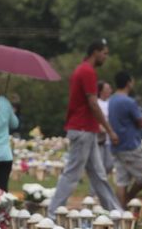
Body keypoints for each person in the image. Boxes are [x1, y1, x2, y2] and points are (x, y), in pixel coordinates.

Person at [48, 41, 121, 214]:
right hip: (82, 130)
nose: (106, 57)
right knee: (72, 174)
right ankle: (52, 213)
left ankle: (115, 212)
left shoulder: (82, 69)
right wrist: (110, 130)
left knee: (98, 174)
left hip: (86, 129)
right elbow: (93, 104)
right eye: (104, 53)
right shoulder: (88, 71)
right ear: (95, 52)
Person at [107, 71, 142, 204]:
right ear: (128, 83)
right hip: (130, 144)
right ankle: (127, 199)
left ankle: (120, 211)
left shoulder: (112, 100)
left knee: (122, 180)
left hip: (116, 145)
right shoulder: (129, 101)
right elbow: (140, 122)